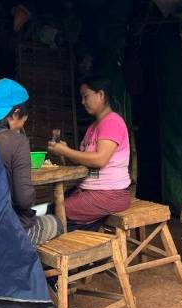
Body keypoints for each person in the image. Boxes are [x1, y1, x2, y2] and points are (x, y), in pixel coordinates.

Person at [0, 78, 61, 246]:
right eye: (25, 117)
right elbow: (24, 200)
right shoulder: (16, 142)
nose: (24, 121)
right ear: (16, 112)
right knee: (56, 223)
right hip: (7, 231)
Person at [48, 77, 131, 229]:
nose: (82, 102)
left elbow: (100, 160)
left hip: (110, 194)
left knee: (57, 213)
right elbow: (85, 160)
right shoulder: (93, 127)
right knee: (53, 208)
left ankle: (86, 237)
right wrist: (66, 151)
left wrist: (66, 151)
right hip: (92, 190)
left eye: (85, 96)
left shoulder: (112, 121)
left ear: (101, 95)